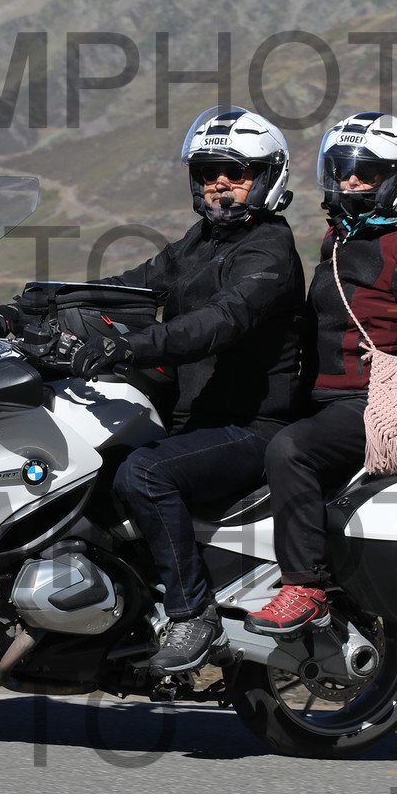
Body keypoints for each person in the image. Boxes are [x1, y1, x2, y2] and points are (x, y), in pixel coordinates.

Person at [83, 107, 306, 675]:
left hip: (251, 426)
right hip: (196, 419)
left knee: (145, 474)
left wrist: (130, 346)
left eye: (236, 172)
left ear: (267, 177)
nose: (219, 183)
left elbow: (220, 321)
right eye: (208, 172)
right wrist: (38, 305)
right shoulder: (200, 241)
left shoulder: (269, 251)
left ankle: (193, 616)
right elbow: (132, 286)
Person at [245, 111, 397, 636]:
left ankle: (305, 588)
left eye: (364, 173)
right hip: (322, 395)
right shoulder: (342, 236)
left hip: (370, 402)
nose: (348, 182)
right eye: (340, 170)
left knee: (291, 450)